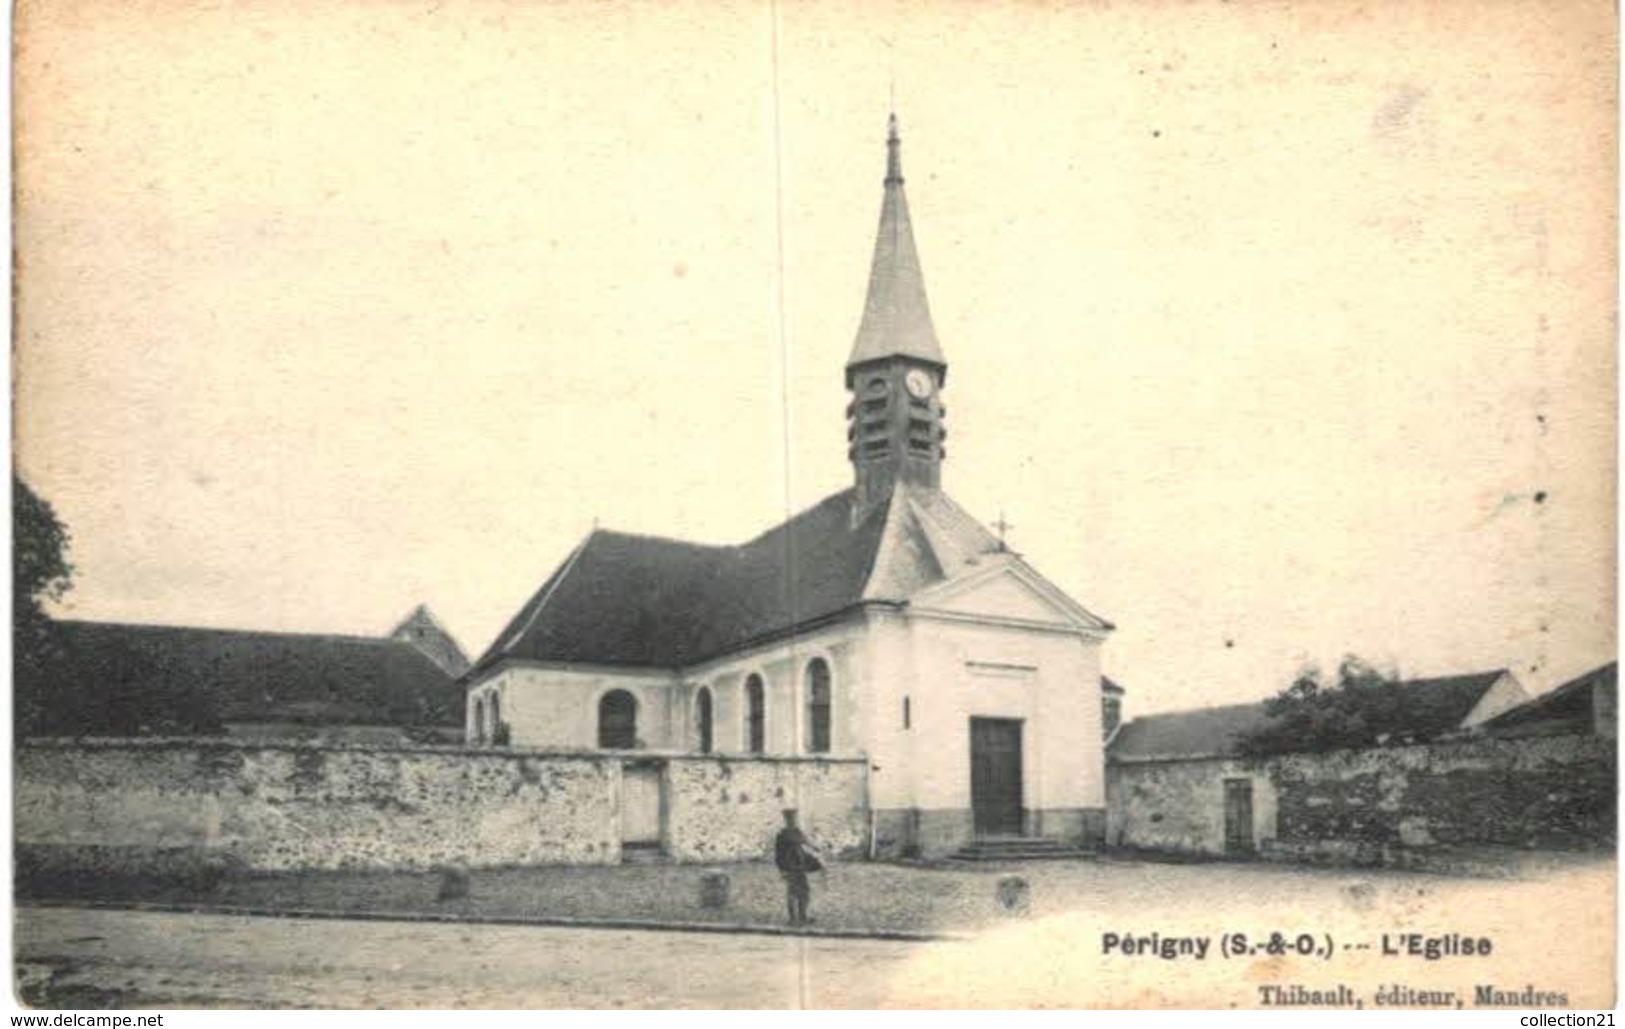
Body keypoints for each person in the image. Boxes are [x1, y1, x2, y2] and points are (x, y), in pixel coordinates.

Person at [773, 808, 822, 925]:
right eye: (790, 819)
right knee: (792, 893)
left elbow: (806, 841)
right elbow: (778, 854)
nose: (793, 820)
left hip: (800, 866)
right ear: (786, 820)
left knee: (804, 892)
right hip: (789, 867)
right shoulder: (783, 835)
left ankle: (803, 916)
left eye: (794, 818)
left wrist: (816, 848)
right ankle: (793, 919)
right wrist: (782, 870)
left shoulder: (797, 831)